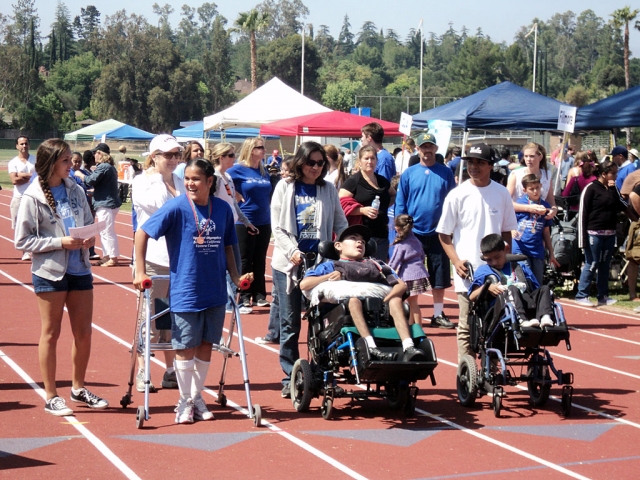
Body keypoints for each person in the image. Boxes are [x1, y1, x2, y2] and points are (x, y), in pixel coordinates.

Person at [133, 158, 252, 424]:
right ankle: (184, 401)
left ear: (210, 182)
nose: (189, 183)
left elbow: (229, 247)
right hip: (186, 289)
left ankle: (197, 397)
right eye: (186, 178)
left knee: (206, 344)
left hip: (215, 290)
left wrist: (236, 277)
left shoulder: (222, 209)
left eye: (196, 179)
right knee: (185, 345)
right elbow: (142, 233)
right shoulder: (176, 207)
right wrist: (140, 271)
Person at [14, 138, 108, 416]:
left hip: (79, 268)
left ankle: (78, 388)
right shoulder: (33, 197)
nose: (73, 164)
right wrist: (59, 243)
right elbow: (23, 240)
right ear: (51, 163)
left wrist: (89, 237)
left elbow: (86, 222)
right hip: (50, 272)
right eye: (66, 160)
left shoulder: (76, 189)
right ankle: (51, 395)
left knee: (84, 333)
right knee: (51, 333)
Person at [271, 141, 348, 398]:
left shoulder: (327, 189)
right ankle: (289, 375)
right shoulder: (285, 187)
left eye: (320, 163)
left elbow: (340, 222)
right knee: (290, 323)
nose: (315, 167)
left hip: (320, 266)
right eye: (311, 162)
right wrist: (292, 251)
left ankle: (322, 373)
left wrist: (343, 246)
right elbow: (278, 227)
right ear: (300, 162)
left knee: (324, 321)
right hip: (289, 265)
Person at [436, 143, 518, 362]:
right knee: (466, 323)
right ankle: (467, 371)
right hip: (468, 272)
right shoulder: (457, 194)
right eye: (470, 162)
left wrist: (504, 258)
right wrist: (455, 261)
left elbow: (506, 231)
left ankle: (491, 369)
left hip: (495, 271)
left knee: (497, 321)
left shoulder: (501, 193)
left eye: (480, 162)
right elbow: (444, 234)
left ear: (491, 166)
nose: (474, 167)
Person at [300, 225, 425, 362]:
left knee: (396, 300)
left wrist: (386, 299)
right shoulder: (329, 266)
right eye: (353, 238)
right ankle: (371, 347)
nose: (359, 242)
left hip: (381, 312)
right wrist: (329, 276)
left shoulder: (377, 265)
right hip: (342, 313)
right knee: (354, 300)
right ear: (338, 246)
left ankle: (408, 347)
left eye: (363, 241)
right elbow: (304, 284)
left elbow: (401, 285)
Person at [131, 134, 185, 393]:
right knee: (149, 319)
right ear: (154, 156)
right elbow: (161, 208)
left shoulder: (181, 180)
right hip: (153, 259)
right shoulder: (142, 182)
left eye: (177, 154)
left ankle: (171, 370)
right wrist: (160, 179)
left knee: (172, 319)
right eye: (168, 155)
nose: (174, 159)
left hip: (180, 258)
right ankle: (143, 371)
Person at [395, 132, 455, 329]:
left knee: (440, 273)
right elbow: (400, 201)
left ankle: (437, 313)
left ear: (436, 149)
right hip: (414, 233)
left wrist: (451, 226)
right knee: (412, 274)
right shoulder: (409, 174)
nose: (427, 150)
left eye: (430, 147)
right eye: (423, 147)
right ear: (418, 149)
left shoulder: (445, 173)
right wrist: (400, 227)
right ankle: (413, 314)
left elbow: (452, 201)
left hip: (439, 232)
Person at [210, 143, 257, 313]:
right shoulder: (214, 178)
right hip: (220, 228)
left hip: (231, 226)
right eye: (230, 155)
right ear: (221, 157)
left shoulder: (227, 177)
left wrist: (246, 222)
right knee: (228, 266)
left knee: (235, 265)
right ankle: (229, 303)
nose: (234, 158)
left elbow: (233, 203)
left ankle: (231, 301)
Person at [470, 234, 555, 328]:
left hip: (526, 303)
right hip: (502, 310)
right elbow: (472, 297)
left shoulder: (520, 267)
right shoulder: (483, 270)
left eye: (497, 257)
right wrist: (486, 288)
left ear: (506, 249)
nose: (494, 262)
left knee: (545, 288)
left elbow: (536, 290)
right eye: (489, 260)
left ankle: (545, 317)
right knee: (512, 288)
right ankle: (521, 319)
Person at [228, 137, 273, 312]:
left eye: (263, 147)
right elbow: (221, 180)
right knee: (245, 259)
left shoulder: (263, 171)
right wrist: (235, 194)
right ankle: (244, 294)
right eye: (259, 147)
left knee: (260, 258)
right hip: (245, 220)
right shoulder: (237, 170)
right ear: (250, 149)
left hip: (264, 220)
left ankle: (260, 294)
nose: (263, 150)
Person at [575, 160, 627, 307]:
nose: (616, 176)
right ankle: (582, 294)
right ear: (603, 174)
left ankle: (603, 295)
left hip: (609, 233)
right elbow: (583, 213)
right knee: (592, 263)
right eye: (613, 173)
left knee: (605, 264)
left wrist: (614, 191)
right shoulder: (591, 189)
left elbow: (622, 205)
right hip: (593, 233)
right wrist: (582, 239)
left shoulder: (612, 189)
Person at [339, 145, 394, 261]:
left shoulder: (382, 181)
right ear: (360, 161)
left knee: (379, 272)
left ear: (377, 161)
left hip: (382, 235)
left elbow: (393, 194)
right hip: (362, 238)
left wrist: (385, 205)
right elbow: (340, 206)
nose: (370, 161)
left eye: (373, 158)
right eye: (366, 158)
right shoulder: (353, 181)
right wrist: (362, 210)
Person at [512, 174, 560, 284]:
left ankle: (536, 301)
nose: (535, 191)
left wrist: (551, 252)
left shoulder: (545, 205)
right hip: (520, 247)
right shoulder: (520, 204)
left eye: (537, 188)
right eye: (531, 189)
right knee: (526, 280)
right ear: (524, 190)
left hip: (537, 249)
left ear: (541, 186)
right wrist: (511, 230)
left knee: (537, 281)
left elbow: (546, 231)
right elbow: (509, 221)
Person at [82, 143, 122, 267]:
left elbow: (90, 180)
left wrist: (79, 174)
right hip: (105, 202)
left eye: (95, 153)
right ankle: (107, 255)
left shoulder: (104, 167)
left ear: (100, 154)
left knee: (107, 231)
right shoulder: (108, 167)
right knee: (103, 231)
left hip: (106, 204)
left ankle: (113, 257)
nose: (94, 156)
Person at [389, 214, 431, 326]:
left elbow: (394, 262)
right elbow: (422, 256)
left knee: (409, 303)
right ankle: (411, 324)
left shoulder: (401, 244)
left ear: (397, 228)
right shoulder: (416, 240)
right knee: (413, 302)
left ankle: (418, 327)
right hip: (420, 273)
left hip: (409, 276)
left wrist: (386, 272)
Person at [507, 142, 558, 222]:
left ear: (540, 157)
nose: (528, 159)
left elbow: (551, 201)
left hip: (540, 221)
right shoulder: (516, 174)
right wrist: (529, 208)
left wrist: (553, 210)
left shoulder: (547, 175)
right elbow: (506, 202)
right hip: (519, 220)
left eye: (532, 156)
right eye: (526, 156)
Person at [8, 136, 36, 255]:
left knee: (34, 224)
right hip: (19, 197)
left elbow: (39, 177)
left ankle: (32, 249)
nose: (24, 146)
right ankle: (24, 251)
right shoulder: (13, 162)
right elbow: (14, 180)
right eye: (21, 144)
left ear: (29, 145)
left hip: (34, 197)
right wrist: (31, 176)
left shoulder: (35, 160)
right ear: (17, 146)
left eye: (26, 143)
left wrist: (22, 174)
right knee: (19, 225)